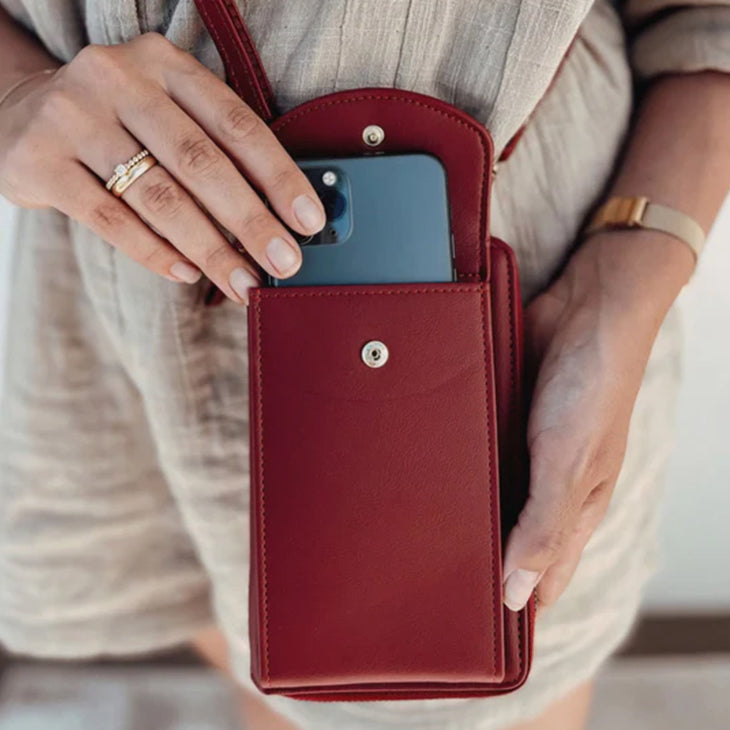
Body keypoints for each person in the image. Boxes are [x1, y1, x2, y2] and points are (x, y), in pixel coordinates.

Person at [0, 1, 728, 729]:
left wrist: (619, 286)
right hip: (121, 296)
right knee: (276, 663)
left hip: (517, 312)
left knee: (462, 677)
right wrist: (17, 98)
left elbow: (706, 23)